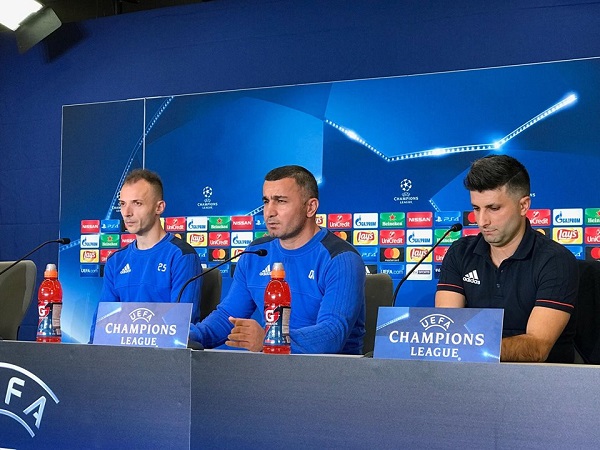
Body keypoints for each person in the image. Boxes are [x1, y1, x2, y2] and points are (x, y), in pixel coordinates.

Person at [189, 165, 366, 354]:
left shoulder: (341, 259)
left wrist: (270, 339)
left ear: (310, 207)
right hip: (272, 366)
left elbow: (332, 334)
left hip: (329, 370)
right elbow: (228, 317)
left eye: (280, 201)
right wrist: (183, 337)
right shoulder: (255, 253)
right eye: (266, 201)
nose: (269, 212)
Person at [435, 155, 578, 363]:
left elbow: (537, 348)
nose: (482, 221)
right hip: (469, 375)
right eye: (476, 208)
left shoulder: (555, 261)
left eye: (493, 208)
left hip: (539, 380)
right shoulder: (460, 252)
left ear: (524, 205)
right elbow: (447, 330)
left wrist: (468, 349)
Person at [91, 169, 202, 338]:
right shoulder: (115, 261)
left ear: (159, 207)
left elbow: (180, 326)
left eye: (137, 203)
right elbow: (102, 326)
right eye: (122, 204)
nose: (127, 212)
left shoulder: (181, 256)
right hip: (121, 352)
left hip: (162, 352)